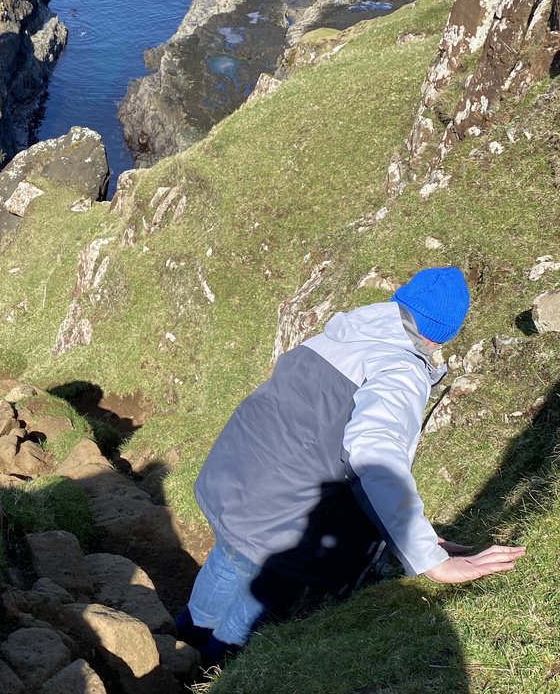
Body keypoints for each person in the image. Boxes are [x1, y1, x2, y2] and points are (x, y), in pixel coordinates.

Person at [177, 266, 525, 665]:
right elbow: (374, 457)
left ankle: (181, 641)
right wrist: (428, 558)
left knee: (230, 557)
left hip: (239, 477)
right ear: (445, 333)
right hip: (284, 513)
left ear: (401, 301)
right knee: (264, 588)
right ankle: (204, 680)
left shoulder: (345, 331)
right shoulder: (401, 369)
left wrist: (418, 532)